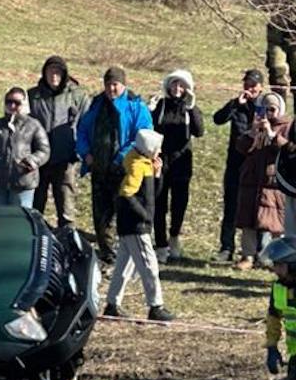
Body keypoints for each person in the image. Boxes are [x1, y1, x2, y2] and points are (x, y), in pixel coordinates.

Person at [76, 66, 154, 265]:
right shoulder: (96, 104)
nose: (111, 89)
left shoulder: (135, 106)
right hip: (99, 168)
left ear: (123, 85)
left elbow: (143, 136)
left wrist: (121, 158)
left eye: (115, 84)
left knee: (125, 214)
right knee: (101, 214)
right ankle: (107, 253)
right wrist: (85, 153)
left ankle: (129, 254)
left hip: (125, 171)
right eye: (108, 84)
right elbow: (82, 130)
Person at [103, 130, 175, 322]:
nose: (160, 151)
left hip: (131, 225)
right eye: (157, 148)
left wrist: (157, 175)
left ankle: (112, 304)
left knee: (123, 267)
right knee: (149, 266)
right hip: (135, 225)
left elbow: (152, 194)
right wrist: (144, 216)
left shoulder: (145, 164)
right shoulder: (136, 166)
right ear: (148, 148)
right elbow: (126, 194)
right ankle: (155, 306)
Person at [148, 70, 204, 263]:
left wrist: (192, 108)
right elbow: (149, 127)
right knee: (159, 203)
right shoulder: (161, 105)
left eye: (182, 85)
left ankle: (174, 237)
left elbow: (199, 131)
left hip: (182, 163)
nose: (177, 88)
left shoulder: (189, 108)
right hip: (161, 161)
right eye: (174, 84)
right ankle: (161, 244)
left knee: (179, 204)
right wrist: (150, 110)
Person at [212, 69, 265, 262]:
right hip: (235, 164)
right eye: (247, 84)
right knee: (231, 206)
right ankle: (227, 248)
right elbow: (217, 119)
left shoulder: (265, 106)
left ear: (261, 87)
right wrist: (235, 104)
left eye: (253, 85)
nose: (249, 88)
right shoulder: (237, 105)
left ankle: (259, 251)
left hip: (257, 165)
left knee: (258, 207)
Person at [28, 55, 88, 228]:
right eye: (50, 71)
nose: (54, 76)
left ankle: (67, 237)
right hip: (38, 160)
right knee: (35, 206)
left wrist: (80, 151)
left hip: (65, 159)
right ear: (44, 73)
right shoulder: (32, 96)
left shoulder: (78, 96)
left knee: (66, 208)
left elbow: (86, 125)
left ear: (65, 74)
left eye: (58, 72)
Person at [235, 92, 292, 270]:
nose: (268, 113)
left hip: (273, 181)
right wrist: (252, 133)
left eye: (272, 109)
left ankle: (275, 258)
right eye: (265, 109)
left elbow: (288, 149)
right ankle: (248, 255)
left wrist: (272, 135)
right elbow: (241, 148)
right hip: (252, 179)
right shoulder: (256, 124)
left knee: (275, 223)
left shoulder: (287, 127)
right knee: (249, 220)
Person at [0, 87, 50, 208]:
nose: (12, 106)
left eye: (17, 103)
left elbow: (44, 150)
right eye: (9, 102)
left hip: (23, 183)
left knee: (19, 217)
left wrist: (30, 162)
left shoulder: (34, 125)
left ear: (24, 104)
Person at [261, 235, 296, 380]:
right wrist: (272, 346)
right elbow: (274, 317)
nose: (275, 269)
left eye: (279, 265)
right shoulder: (278, 288)